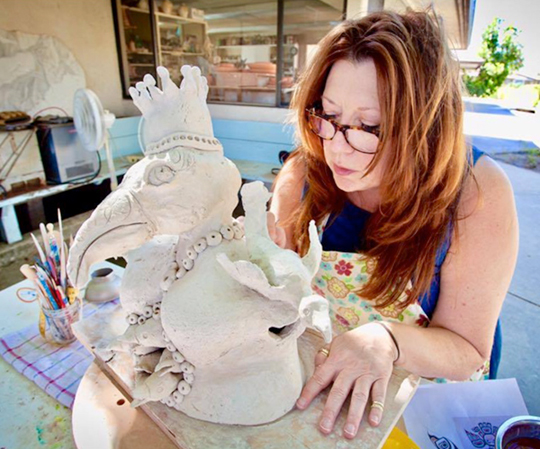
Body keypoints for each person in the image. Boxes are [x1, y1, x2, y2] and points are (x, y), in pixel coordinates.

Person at [268, 9, 518, 440]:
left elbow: (468, 349)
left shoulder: (477, 193)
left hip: (425, 402)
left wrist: (387, 339)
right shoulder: (302, 175)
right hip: (325, 387)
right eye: (327, 115)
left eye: (368, 127)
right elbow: (273, 295)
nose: (337, 151)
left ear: (428, 128)